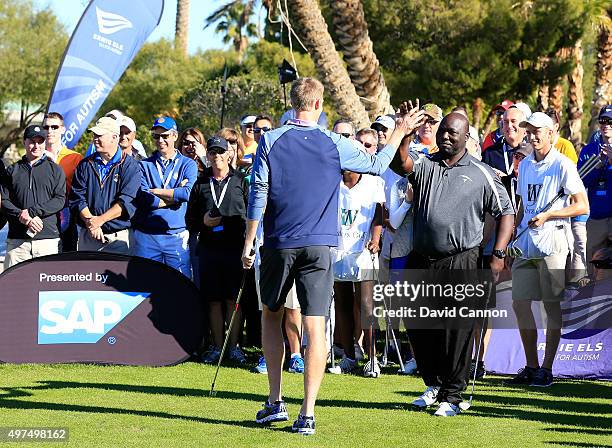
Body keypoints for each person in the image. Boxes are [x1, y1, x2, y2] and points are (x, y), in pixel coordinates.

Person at [241, 77, 424, 434]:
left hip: (279, 242)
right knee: (314, 324)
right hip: (321, 245)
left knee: (271, 317)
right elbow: (377, 164)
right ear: (319, 104)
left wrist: (249, 239)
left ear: (292, 104)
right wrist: (401, 129)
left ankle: (275, 401)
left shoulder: (271, 140)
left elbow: (258, 192)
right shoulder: (334, 142)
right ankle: (306, 413)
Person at [392, 112, 515, 417]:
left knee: (456, 330)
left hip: (462, 259)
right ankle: (433, 383)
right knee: (419, 324)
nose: (446, 136)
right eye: (443, 131)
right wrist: (404, 132)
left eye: (453, 133)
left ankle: (453, 395)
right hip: (422, 258)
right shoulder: (425, 164)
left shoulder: (482, 172)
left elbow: (506, 213)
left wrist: (498, 254)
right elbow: (400, 163)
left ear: (465, 136)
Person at [505, 112, 589, 388]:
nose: (533, 135)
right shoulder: (526, 164)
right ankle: (531, 365)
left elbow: (581, 206)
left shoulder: (564, 164)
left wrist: (551, 215)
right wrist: (511, 238)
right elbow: (520, 205)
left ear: (552, 133)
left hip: (553, 242)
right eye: (529, 130)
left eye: (538, 130)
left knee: (550, 306)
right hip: (526, 243)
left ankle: (547, 369)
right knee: (520, 304)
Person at [187, 136, 249, 364]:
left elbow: (251, 215)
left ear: (229, 154)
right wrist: (203, 221)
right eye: (212, 152)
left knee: (233, 300)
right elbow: (190, 220)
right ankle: (216, 346)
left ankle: (234, 347)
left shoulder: (241, 181)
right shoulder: (201, 183)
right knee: (213, 300)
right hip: (209, 249)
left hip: (235, 249)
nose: (217, 156)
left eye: (221, 152)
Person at [331, 162, 384, 377]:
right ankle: (349, 357)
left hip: (364, 251)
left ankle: (372, 359)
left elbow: (379, 213)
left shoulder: (373, 182)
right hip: (338, 251)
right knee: (342, 303)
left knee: (366, 304)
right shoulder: (332, 182)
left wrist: (376, 239)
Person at [132, 117, 198, 277]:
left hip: (176, 234)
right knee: (146, 286)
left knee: (181, 285)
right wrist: (175, 195)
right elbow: (144, 198)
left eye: (165, 136)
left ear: (175, 136)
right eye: (156, 136)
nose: (160, 140)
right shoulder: (144, 164)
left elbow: (187, 193)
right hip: (147, 236)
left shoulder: (188, 164)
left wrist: (155, 191)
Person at [70, 117, 140, 254]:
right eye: (94, 135)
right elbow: (77, 198)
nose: (95, 138)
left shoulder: (131, 166)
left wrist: (99, 221)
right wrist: (92, 223)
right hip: (89, 236)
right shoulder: (85, 164)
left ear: (114, 137)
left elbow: (126, 202)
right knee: (88, 275)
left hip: (119, 238)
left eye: (100, 135)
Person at [1, 125, 65, 269]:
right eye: (32, 141)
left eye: (40, 141)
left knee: (48, 289)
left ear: (44, 143)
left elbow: (59, 200)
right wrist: (23, 216)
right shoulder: (12, 170)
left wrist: (32, 212)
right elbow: (4, 201)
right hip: (17, 243)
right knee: (13, 288)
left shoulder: (55, 170)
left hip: (47, 241)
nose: (36, 145)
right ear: (24, 142)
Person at [578, 105, 612, 277]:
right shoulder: (589, 150)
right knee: (595, 268)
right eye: (603, 121)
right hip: (596, 218)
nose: (607, 125)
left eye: (611, 121)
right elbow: (579, 181)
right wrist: (597, 168)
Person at [42, 112, 83, 252]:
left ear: (62, 129)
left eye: (54, 127)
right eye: (46, 127)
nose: (50, 131)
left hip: (69, 216)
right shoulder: (35, 156)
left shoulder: (75, 158)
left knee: (67, 264)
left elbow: (81, 191)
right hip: (43, 216)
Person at [179, 127, 207, 287]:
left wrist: (203, 156)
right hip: (179, 230)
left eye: (193, 144)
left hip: (198, 231)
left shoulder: (206, 170)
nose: (189, 147)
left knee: (199, 278)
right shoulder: (176, 167)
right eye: (185, 143)